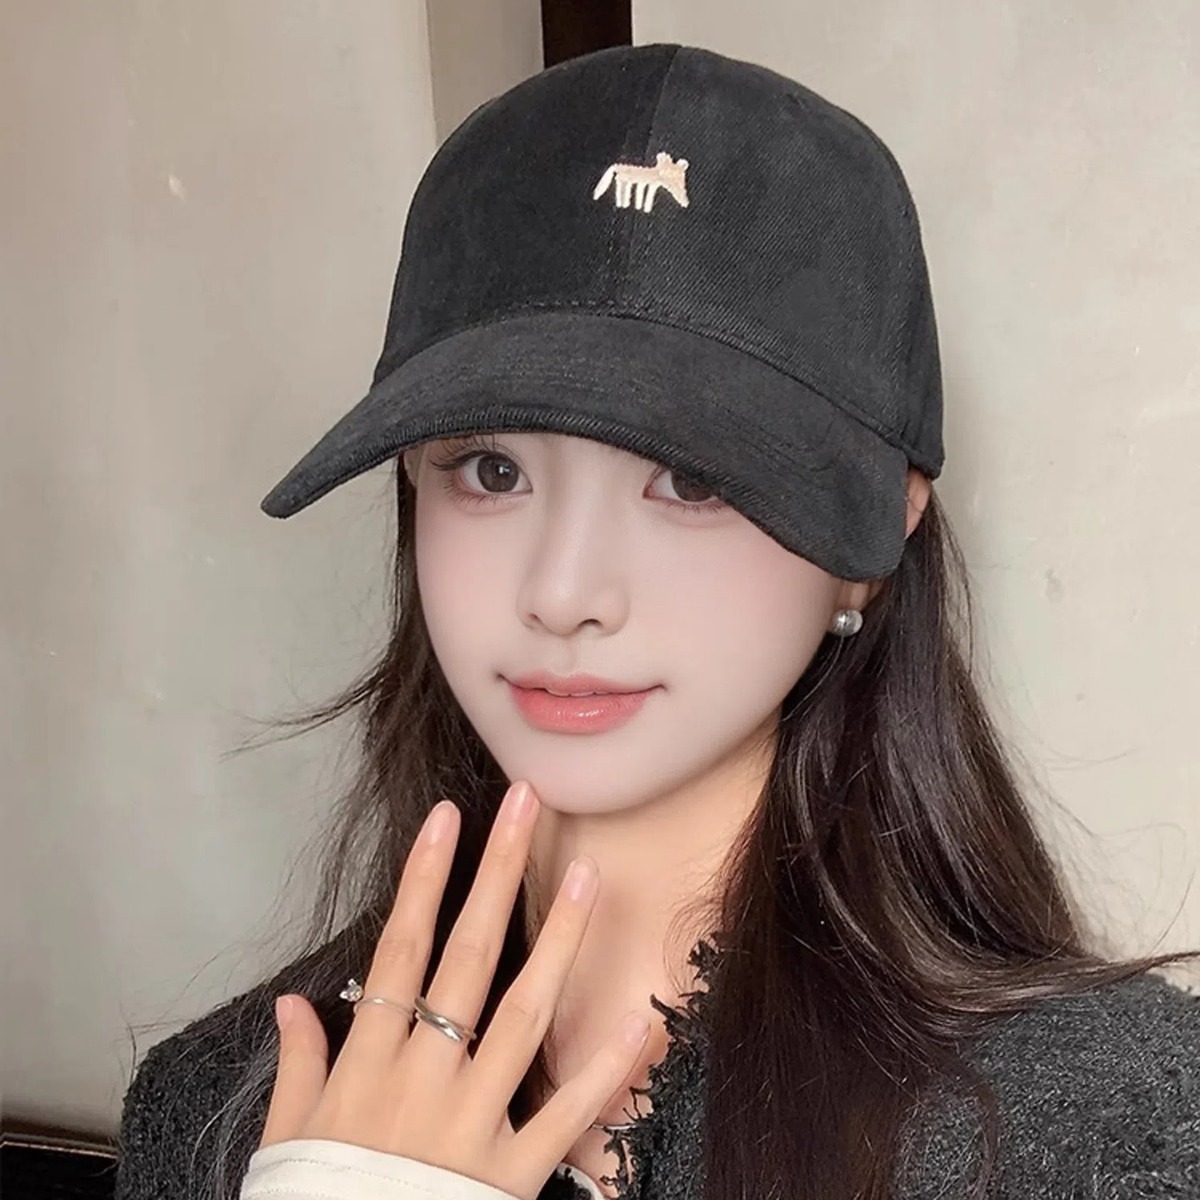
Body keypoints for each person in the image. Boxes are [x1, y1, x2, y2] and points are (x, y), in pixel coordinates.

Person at [113, 41, 1200, 1200]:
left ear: (873, 543)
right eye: (489, 469)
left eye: (690, 480)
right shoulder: (219, 1107)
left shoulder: (1110, 1125)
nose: (564, 592)